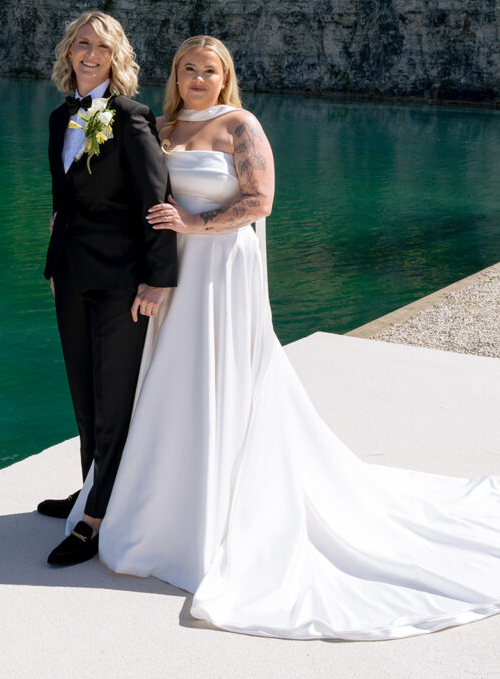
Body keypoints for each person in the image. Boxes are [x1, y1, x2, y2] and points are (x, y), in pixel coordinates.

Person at [68, 35, 500, 639]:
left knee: (220, 378)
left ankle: (216, 511)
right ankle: (152, 500)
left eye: (208, 71)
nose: (197, 78)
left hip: (221, 271)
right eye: (187, 69)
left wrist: (195, 223)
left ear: (225, 77)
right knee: (165, 380)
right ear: (174, 75)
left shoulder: (240, 126)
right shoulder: (159, 125)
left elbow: (260, 201)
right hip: (171, 273)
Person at [40, 11, 177, 567]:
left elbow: (157, 202)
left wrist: (158, 278)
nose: (89, 54)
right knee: (81, 391)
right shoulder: (59, 118)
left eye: (101, 46)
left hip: (123, 281)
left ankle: (96, 519)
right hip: (71, 276)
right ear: (68, 53)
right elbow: (61, 202)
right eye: (81, 44)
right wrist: (54, 268)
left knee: (113, 399)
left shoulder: (132, 117)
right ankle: (89, 489)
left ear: (116, 56)